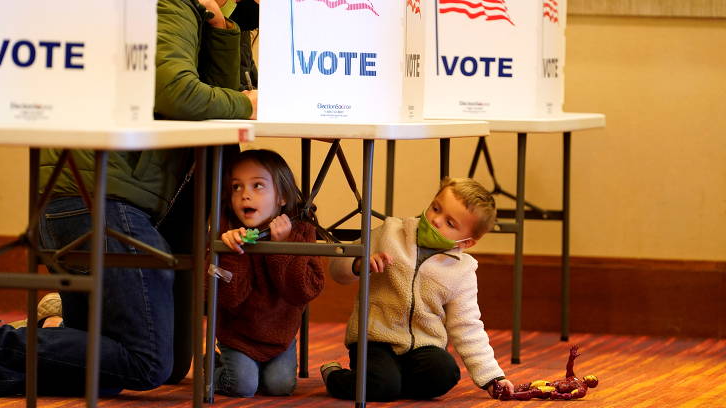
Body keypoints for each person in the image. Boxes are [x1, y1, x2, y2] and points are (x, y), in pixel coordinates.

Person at [0, 0, 258, 398]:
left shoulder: (179, 2)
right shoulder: (164, 2)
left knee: (139, 361)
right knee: (148, 362)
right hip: (100, 198)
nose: (240, 0)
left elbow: (208, 95)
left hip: (98, 196)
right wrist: (246, 104)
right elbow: (178, 95)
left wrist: (222, 29)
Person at [321, 177, 515, 401]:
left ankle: (388, 384)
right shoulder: (390, 233)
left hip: (423, 345)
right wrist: (358, 264)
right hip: (375, 340)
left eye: (450, 223)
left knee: (444, 373)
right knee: (382, 383)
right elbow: (338, 268)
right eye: (436, 208)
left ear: (467, 242)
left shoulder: (462, 271)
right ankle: (335, 375)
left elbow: (467, 325)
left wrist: (492, 377)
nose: (435, 220)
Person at [214, 149, 325, 397]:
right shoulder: (226, 230)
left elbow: (304, 291)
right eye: (236, 187)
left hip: (280, 334)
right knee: (242, 386)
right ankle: (212, 366)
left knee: (280, 386)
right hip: (237, 335)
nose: (245, 195)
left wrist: (284, 247)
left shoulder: (301, 231)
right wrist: (232, 251)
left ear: (282, 196)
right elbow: (227, 298)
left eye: (257, 186)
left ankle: (249, 368)